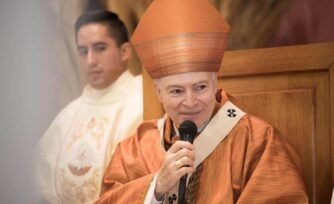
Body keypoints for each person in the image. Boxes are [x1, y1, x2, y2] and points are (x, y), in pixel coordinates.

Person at [97, 0, 308, 204]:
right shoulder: (136, 149)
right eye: (177, 91)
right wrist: (157, 187)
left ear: (215, 82)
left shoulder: (259, 143)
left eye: (200, 87)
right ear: (158, 92)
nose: (190, 102)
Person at [34, 10, 143, 203]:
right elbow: (37, 184)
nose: (91, 60)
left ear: (125, 51)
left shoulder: (145, 100)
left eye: (100, 48)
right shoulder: (67, 116)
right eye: (83, 51)